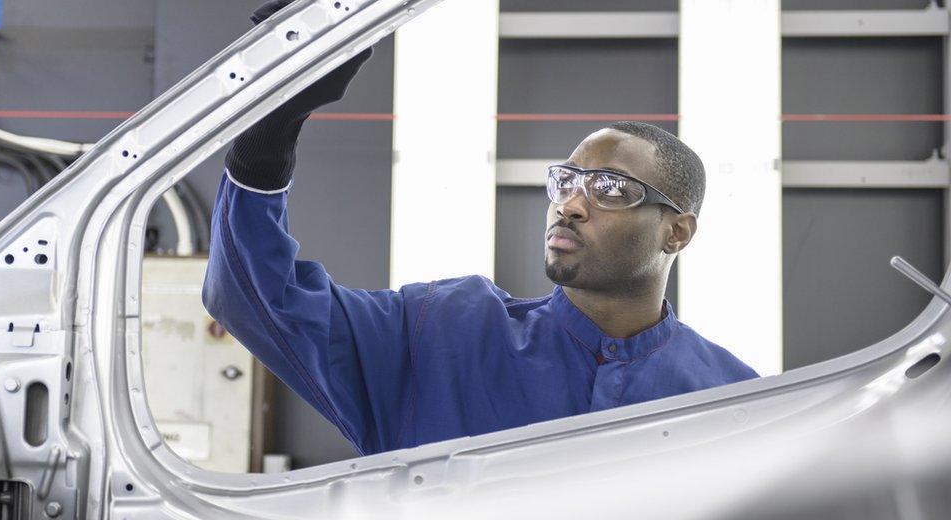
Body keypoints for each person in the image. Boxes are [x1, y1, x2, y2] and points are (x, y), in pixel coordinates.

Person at [203, 1, 759, 457]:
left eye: (610, 188)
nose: (571, 205)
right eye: (565, 181)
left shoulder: (739, 404)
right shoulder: (440, 336)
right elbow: (256, 298)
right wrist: (266, 132)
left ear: (677, 233)